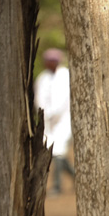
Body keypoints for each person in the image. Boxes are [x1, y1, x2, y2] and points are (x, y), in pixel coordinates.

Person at [35, 47, 74, 194]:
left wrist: (53, 112)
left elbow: (64, 99)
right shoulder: (42, 78)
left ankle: (57, 186)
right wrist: (45, 113)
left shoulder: (65, 75)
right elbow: (39, 99)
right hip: (48, 121)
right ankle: (74, 176)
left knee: (59, 150)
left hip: (63, 119)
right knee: (55, 151)